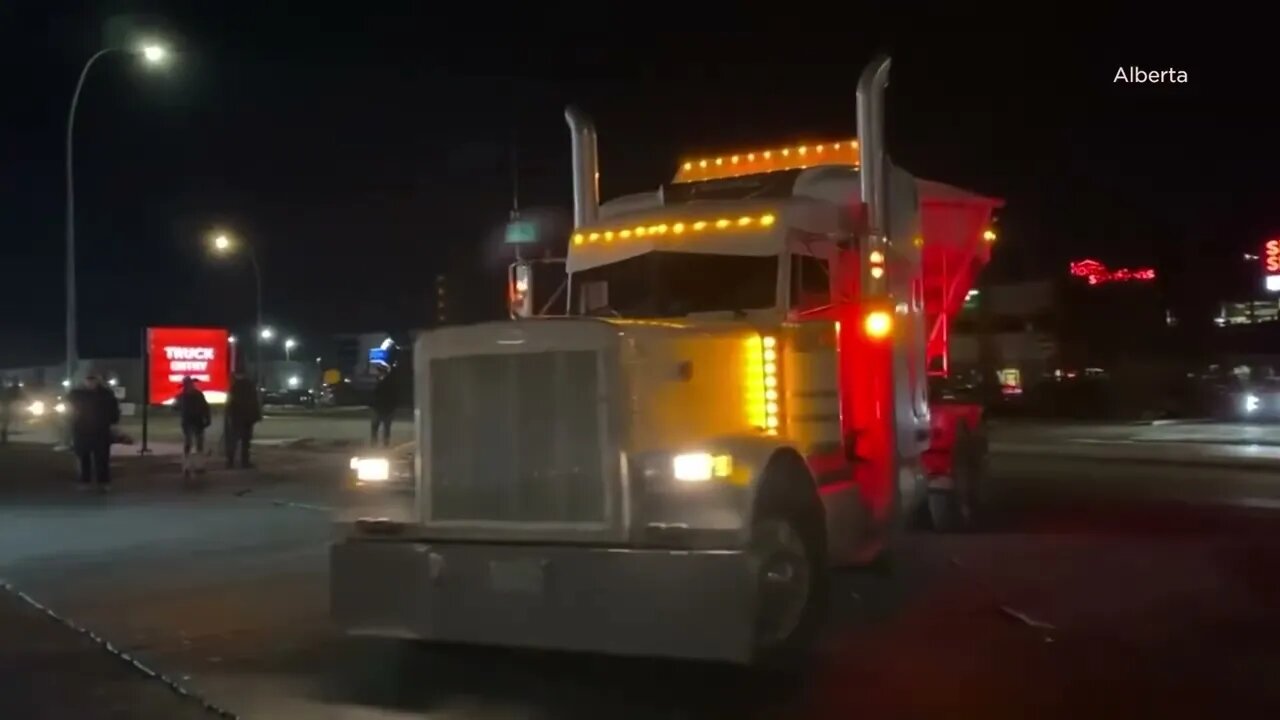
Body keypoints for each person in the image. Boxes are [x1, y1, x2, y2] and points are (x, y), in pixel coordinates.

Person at [67, 374, 120, 491]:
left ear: (97, 381)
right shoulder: (77, 394)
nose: (90, 383)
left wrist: (113, 422)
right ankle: (85, 480)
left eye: (93, 380)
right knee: (84, 457)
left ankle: (103, 481)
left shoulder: (106, 395)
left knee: (102, 458)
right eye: (88, 380)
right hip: (82, 430)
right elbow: (69, 410)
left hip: (100, 430)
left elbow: (114, 410)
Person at [224, 371, 261, 469]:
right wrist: (256, 417)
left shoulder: (234, 387)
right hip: (248, 418)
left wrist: (229, 415)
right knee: (246, 441)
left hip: (237, 418)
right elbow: (255, 403)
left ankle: (230, 462)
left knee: (234, 440)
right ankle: (245, 461)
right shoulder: (250, 386)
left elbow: (230, 403)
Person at [176, 376, 211, 477]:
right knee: (190, 443)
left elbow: (205, 407)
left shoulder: (189, 395)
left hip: (196, 422)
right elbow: (205, 408)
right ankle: (189, 465)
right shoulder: (184, 396)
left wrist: (207, 419)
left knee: (196, 443)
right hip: (190, 422)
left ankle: (196, 465)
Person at [370, 364, 396, 447]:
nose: (378, 372)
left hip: (384, 407)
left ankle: (383, 443)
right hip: (382, 407)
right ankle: (380, 443)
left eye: (380, 371)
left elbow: (378, 393)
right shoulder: (381, 380)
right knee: (379, 427)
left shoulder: (387, 382)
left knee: (381, 426)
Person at [0, 379, 19, 444]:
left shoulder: (5, 390)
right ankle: (4, 439)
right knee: (4, 424)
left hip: (5, 408)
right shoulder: (5, 390)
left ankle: (4, 439)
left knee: (5, 424)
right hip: (5, 408)